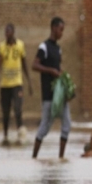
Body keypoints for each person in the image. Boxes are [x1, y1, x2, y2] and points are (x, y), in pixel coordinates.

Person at [31, 17, 71, 159]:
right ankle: (34, 157)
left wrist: (65, 84)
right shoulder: (44, 47)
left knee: (67, 124)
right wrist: (50, 71)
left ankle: (61, 158)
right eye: (60, 30)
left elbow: (58, 69)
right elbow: (35, 65)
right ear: (53, 28)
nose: (61, 33)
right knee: (45, 127)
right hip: (49, 95)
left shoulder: (58, 49)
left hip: (60, 95)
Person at [0, 23, 32, 146]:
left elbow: (24, 64)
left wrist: (29, 81)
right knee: (5, 112)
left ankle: (20, 134)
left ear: (13, 32)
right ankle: (5, 136)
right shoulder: (1, 46)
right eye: (5, 32)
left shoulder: (20, 45)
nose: (7, 34)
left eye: (9, 31)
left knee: (17, 109)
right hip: (5, 85)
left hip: (17, 83)